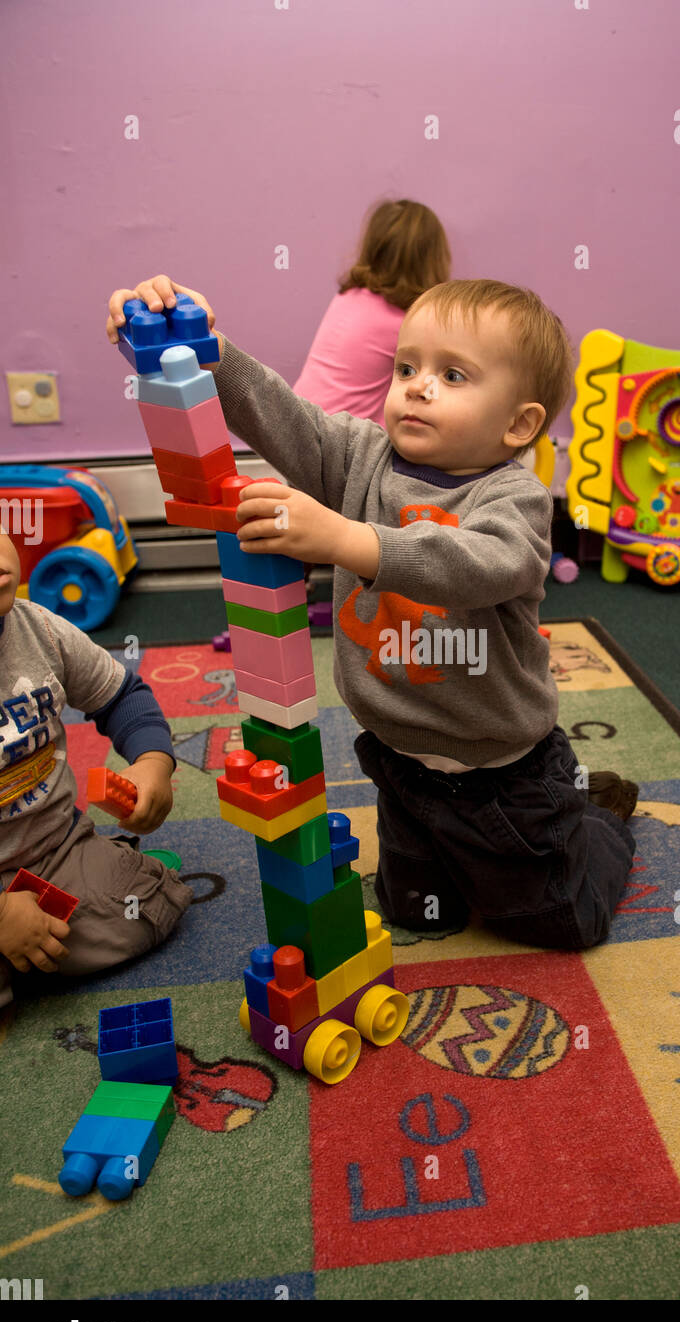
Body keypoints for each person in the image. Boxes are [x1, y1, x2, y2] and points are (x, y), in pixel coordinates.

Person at [106, 274, 636, 951]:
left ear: (519, 424)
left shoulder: (516, 498)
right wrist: (205, 350)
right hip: (398, 763)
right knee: (416, 914)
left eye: (452, 375)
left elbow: (478, 564)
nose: (417, 386)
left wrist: (346, 540)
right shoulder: (363, 458)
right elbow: (281, 414)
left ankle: (597, 821)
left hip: (502, 776)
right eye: (407, 367)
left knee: (563, 923)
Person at [0, 527, 193, 1008]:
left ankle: (27, 954)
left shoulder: (40, 628)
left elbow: (122, 696)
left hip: (55, 850)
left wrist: (152, 762)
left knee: (150, 903)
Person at [293, 199, 451, 427]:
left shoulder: (347, 296)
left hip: (296, 423)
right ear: (431, 259)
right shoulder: (407, 323)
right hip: (334, 440)